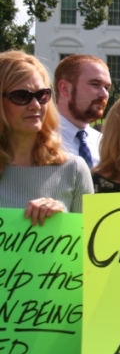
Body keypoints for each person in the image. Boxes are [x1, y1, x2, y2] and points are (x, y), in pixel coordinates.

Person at [0, 51, 92, 224]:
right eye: (21, 96)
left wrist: (63, 222)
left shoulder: (74, 169)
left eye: (42, 95)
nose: (35, 105)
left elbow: (91, 238)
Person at [54, 54, 112, 168]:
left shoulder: (104, 145)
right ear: (65, 88)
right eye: (95, 84)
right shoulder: (39, 140)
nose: (104, 94)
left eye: (106, 88)